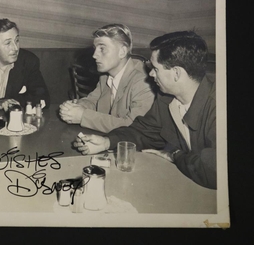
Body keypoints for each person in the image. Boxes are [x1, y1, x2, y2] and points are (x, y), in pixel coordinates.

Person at [74, 31, 216, 189]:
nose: (150, 74)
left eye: (155, 68)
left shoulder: (219, 107)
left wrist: (174, 155)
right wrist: (107, 141)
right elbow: (143, 131)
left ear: (176, 73)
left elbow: (215, 170)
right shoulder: (166, 99)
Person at [59, 23, 155, 133]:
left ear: (122, 52)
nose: (94, 55)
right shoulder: (106, 77)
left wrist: (83, 116)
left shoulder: (143, 82)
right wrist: (76, 107)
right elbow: (93, 101)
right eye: (95, 49)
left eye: (102, 49)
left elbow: (133, 127)